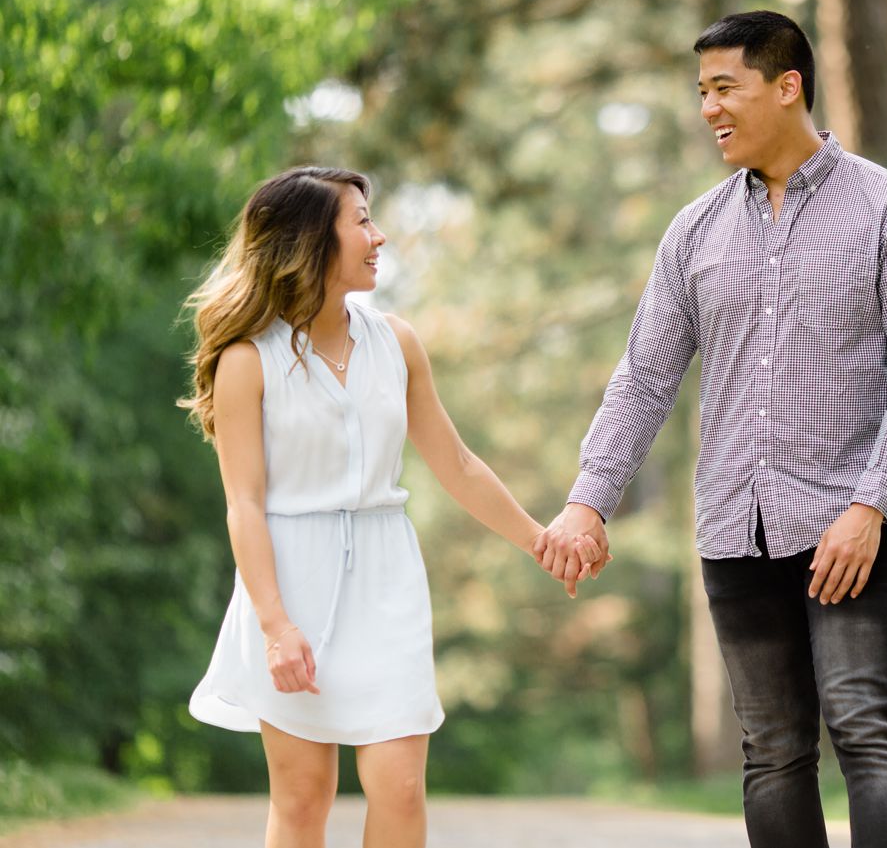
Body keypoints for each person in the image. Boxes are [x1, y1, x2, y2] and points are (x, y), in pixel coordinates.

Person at [534, 12, 887, 848]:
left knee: (867, 729)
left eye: (725, 87)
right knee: (771, 752)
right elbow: (646, 376)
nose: (708, 108)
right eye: (701, 92)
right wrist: (589, 499)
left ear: (787, 84)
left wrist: (871, 505)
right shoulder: (695, 231)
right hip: (737, 528)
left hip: (853, 527)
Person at [185, 167, 599, 848]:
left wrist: (539, 539)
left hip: (387, 581)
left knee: (402, 790)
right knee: (303, 798)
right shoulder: (245, 361)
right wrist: (275, 624)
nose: (379, 236)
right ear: (312, 241)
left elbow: (458, 465)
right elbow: (246, 505)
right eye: (362, 221)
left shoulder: (397, 342)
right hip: (290, 583)